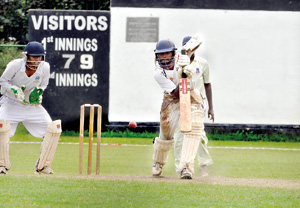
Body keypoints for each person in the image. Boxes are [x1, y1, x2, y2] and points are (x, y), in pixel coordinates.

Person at [0, 41, 62, 174]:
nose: (37, 60)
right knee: (1, 128)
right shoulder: (15, 65)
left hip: (31, 106)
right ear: (26, 56)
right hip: (11, 103)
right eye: (34, 57)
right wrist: (14, 90)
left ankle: (43, 166)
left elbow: (43, 84)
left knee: (53, 130)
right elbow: (3, 80)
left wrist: (38, 93)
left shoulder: (45, 67)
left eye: (39, 57)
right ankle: (1, 165)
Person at [152, 38, 204, 179]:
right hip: (172, 98)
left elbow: (195, 46)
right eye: (160, 54)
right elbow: (176, 93)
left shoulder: (182, 58)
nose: (163, 57)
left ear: (173, 53)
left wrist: (188, 67)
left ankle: (186, 167)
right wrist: (182, 77)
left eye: (166, 54)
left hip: (191, 95)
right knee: (166, 132)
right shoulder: (158, 73)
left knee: (196, 124)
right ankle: (158, 162)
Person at [174, 36, 214, 177]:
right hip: (181, 103)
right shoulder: (177, 63)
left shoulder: (202, 63)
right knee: (179, 135)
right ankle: (182, 167)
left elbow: (207, 84)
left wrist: (211, 108)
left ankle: (203, 165)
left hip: (197, 104)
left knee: (199, 135)